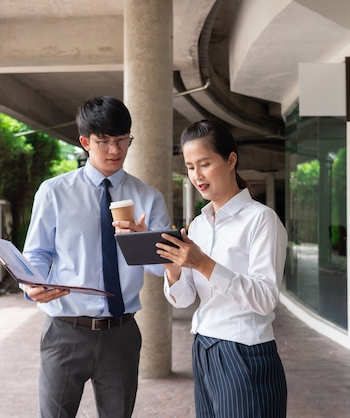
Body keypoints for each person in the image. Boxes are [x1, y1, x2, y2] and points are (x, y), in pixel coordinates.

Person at [21, 96, 170, 418]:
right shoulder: (54, 191)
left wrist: (141, 244)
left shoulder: (148, 197)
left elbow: (164, 269)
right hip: (65, 330)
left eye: (122, 141)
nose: (115, 151)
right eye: (104, 142)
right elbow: (38, 251)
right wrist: (31, 284)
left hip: (122, 334)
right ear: (86, 142)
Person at [156, 119, 288, 418]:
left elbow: (266, 298)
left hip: (245, 352)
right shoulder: (199, 225)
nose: (197, 175)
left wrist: (203, 263)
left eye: (204, 164)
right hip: (203, 347)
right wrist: (173, 268)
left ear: (231, 160)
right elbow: (185, 299)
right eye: (190, 167)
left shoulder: (261, 220)